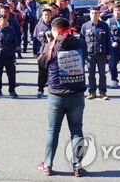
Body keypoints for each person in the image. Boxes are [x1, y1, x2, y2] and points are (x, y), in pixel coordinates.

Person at [37, 17, 87, 177]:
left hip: (56, 94)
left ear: (55, 30)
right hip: (77, 93)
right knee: (77, 131)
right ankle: (77, 166)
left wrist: (49, 41)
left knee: (52, 130)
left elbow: (42, 63)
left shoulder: (50, 46)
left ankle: (47, 164)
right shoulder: (80, 43)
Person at [80, 7, 111, 100]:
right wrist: (82, 54)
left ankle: (103, 92)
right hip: (89, 54)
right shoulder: (85, 26)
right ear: (90, 14)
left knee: (102, 74)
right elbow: (81, 41)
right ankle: (92, 92)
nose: (94, 15)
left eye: (96, 13)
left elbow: (108, 40)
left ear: (99, 14)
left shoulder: (104, 25)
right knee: (91, 74)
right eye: (92, 13)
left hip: (101, 53)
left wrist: (109, 52)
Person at [0, 17, 20, 98]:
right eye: (3, 21)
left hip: (9, 55)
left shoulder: (11, 30)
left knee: (11, 74)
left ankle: (12, 90)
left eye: (6, 21)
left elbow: (15, 42)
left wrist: (11, 50)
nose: (5, 23)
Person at [33, 8, 53, 98]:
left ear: (51, 16)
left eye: (48, 15)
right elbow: (35, 40)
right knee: (42, 73)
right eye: (45, 15)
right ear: (42, 16)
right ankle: (40, 89)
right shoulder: (38, 26)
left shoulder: (54, 26)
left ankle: (52, 90)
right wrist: (35, 53)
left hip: (53, 53)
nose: (47, 16)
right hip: (42, 53)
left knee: (53, 72)